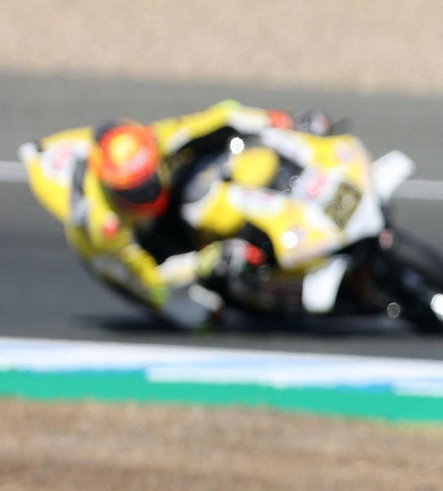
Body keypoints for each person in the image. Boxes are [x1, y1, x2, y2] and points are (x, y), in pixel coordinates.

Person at [19, 100, 334, 326]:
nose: (151, 192)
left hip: (98, 166)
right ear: (113, 190)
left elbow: (221, 117)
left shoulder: (152, 139)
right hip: (118, 261)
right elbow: (152, 278)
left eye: (151, 178)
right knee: (197, 316)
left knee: (222, 151)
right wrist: (206, 260)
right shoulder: (105, 228)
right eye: (137, 191)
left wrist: (280, 120)